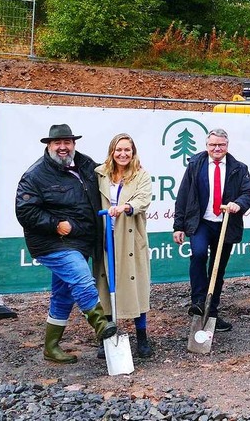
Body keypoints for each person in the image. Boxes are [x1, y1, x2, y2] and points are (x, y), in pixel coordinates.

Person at [15, 124, 116, 364]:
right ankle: (101, 325)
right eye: (57, 143)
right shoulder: (36, 175)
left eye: (67, 142)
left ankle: (51, 347)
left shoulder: (86, 165)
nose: (63, 147)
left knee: (62, 295)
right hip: (52, 242)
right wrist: (55, 224)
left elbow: (110, 179)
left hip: (81, 241)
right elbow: (24, 210)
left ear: (74, 144)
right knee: (82, 278)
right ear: (48, 146)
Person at [173, 128, 250, 332]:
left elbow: (248, 193)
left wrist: (238, 204)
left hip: (226, 223)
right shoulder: (195, 164)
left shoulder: (239, 168)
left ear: (227, 145)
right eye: (212, 145)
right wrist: (178, 225)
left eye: (221, 145)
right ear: (206, 145)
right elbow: (183, 194)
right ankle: (199, 302)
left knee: (218, 269)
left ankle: (212, 312)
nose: (217, 148)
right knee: (199, 255)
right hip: (201, 222)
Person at [94, 133, 154, 358]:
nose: (123, 154)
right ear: (112, 151)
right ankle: (107, 335)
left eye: (127, 150)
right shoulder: (100, 174)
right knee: (105, 285)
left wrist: (126, 207)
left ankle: (142, 338)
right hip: (105, 237)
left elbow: (143, 200)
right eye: (118, 150)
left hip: (129, 237)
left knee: (135, 286)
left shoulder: (141, 175)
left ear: (133, 152)